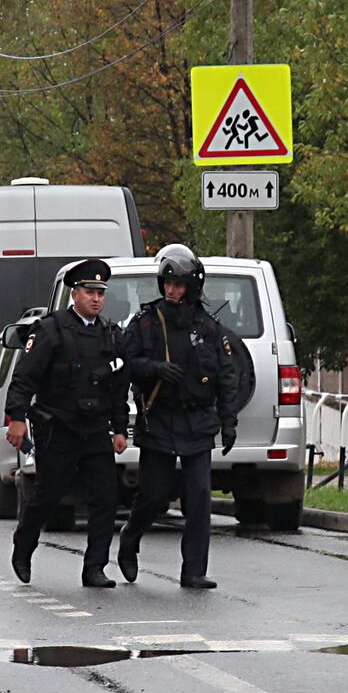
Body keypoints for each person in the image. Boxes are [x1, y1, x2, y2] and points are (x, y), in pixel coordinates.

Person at [117, 244, 237, 589]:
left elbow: (227, 378)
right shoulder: (145, 322)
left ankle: (194, 570)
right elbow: (124, 363)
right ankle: (130, 537)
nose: (172, 290)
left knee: (199, 497)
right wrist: (153, 368)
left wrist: (228, 423)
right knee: (155, 494)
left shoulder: (210, 328)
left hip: (198, 421)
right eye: (167, 283)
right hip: (160, 419)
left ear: (192, 286)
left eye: (179, 285)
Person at [6, 259, 128, 587]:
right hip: (59, 427)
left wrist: (119, 428)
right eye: (89, 292)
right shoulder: (50, 330)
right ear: (74, 294)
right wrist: (17, 418)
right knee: (49, 493)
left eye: (101, 293)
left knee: (105, 498)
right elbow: (24, 378)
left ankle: (95, 568)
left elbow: (118, 385)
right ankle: (24, 545)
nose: (96, 299)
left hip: (94, 429)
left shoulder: (109, 335)